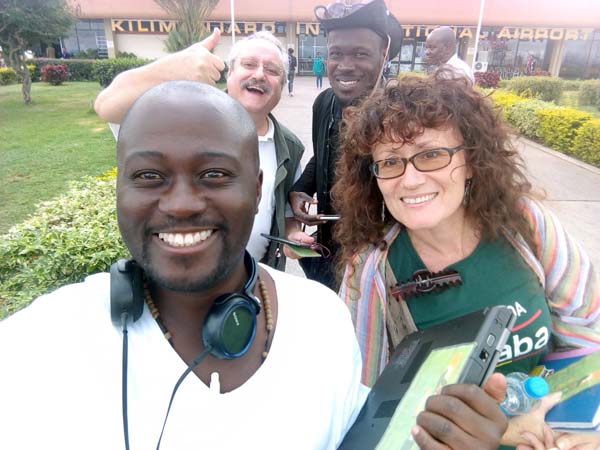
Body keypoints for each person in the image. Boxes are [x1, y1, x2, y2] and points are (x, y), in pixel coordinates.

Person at [0, 80, 509, 450]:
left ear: (260, 189)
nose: (179, 204)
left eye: (215, 173)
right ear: (119, 190)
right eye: (149, 175)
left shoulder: (323, 319)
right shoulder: (35, 347)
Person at [332, 73, 600, 448]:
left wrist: (571, 424)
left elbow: (585, 327)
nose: (409, 180)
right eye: (391, 162)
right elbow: (370, 407)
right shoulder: (372, 272)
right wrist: (497, 431)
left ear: (471, 161)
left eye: (430, 155)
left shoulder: (525, 225)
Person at [94, 30, 304, 271]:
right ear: (230, 72)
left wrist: (293, 235)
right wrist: (169, 71)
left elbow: (287, 212)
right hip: (172, 284)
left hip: (251, 288)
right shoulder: (179, 120)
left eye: (272, 70)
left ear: (283, 84)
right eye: (249, 64)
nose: (259, 74)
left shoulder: (289, 146)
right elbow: (106, 105)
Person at [287, 0, 403, 290]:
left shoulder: (401, 115)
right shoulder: (323, 103)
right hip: (327, 249)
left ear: (383, 54)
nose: (345, 66)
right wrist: (300, 188)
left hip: (382, 259)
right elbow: (322, 154)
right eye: (336, 54)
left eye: (360, 54)